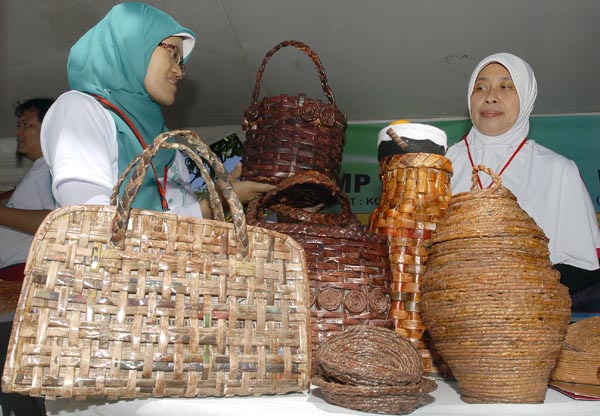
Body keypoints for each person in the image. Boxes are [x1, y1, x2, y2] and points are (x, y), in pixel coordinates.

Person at [41, 2, 272, 221]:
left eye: (182, 63)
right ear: (131, 46)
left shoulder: (168, 146)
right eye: (172, 55)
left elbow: (174, 224)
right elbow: (91, 221)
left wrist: (221, 199)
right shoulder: (81, 110)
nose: (179, 72)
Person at [446, 52, 600, 309]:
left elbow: (586, 266)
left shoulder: (557, 170)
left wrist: (519, 288)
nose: (490, 96)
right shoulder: (439, 166)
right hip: (446, 320)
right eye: (480, 87)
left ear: (527, 97)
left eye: (505, 86)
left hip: (528, 324)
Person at [0, 98, 54, 416]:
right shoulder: (40, 171)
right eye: (19, 125)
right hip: (13, 300)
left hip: (19, 297)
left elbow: (52, 220)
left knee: (25, 392)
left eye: (27, 125)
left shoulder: (51, 168)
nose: (19, 132)